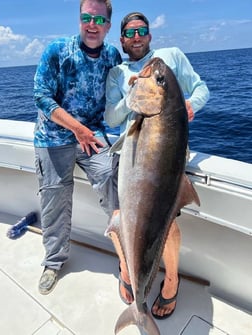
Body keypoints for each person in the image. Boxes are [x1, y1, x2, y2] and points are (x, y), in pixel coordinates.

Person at [104, 12, 209, 319]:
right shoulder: (117, 73)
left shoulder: (171, 57)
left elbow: (201, 88)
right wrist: (133, 97)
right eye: (130, 33)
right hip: (131, 156)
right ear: (122, 39)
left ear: (149, 35)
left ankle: (171, 280)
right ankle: (129, 270)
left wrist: (190, 104)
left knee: (166, 222)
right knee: (116, 218)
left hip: (166, 157)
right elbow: (112, 118)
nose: (136, 37)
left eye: (142, 31)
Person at [33, 0, 122, 295]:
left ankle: (126, 256)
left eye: (99, 19)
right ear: (79, 20)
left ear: (108, 25)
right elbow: (42, 97)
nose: (92, 24)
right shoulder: (58, 50)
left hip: (92, 136)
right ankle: (53, 262)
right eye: (86, 17)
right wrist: (77, 129)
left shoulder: (112, 56)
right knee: (54, 198)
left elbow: (124, 95)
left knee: (113, 178)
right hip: (53, 137)